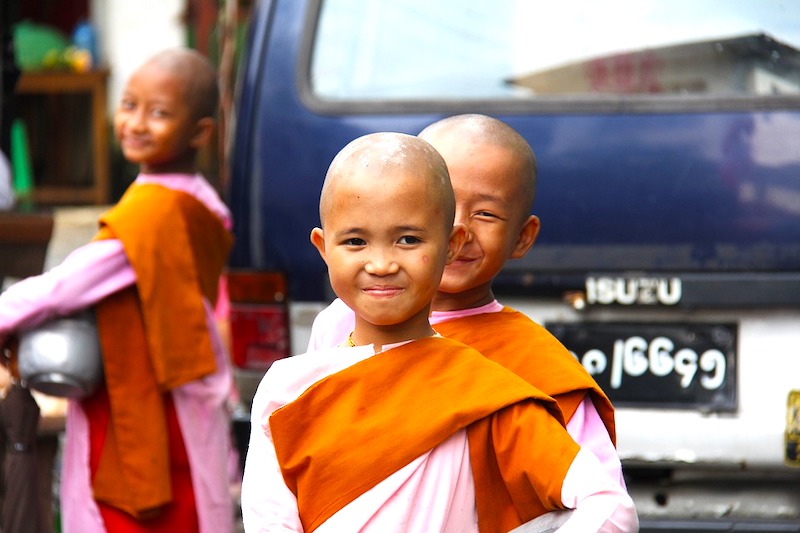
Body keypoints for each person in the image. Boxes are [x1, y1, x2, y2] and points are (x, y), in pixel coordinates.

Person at [241, 131, 637, 532]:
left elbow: (606, 507)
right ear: (324, 247)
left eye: (409, 239)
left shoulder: (497, 388)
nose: (381, 263)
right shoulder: (290, 385)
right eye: (356, 240)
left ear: (451, 242)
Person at [307, 114, 624, 485]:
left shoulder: (536, 363)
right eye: (442, 205)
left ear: (523, 236)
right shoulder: (340, 325)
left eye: (486, 213)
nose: (460, 228)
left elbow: (600, 497)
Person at [0, 48, 235, 532]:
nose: (136, 123)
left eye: (160, 112)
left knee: (138, 508)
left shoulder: (154, 212)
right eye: (129, 105)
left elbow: (64, 288)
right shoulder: (200, 199)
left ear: (200, 132)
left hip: (144, 397)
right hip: (184, 383)